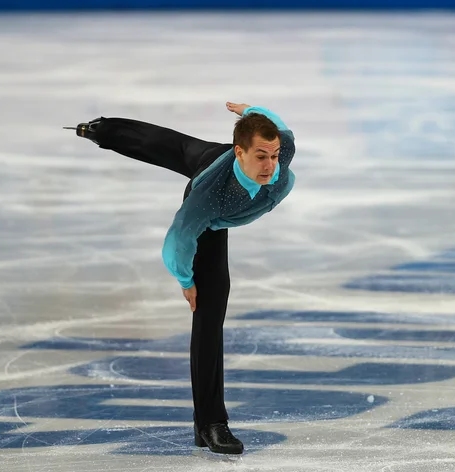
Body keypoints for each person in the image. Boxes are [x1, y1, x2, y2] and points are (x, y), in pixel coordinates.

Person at [66, 102, 295, 455]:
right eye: (261, 156)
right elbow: (178, 240)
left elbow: (281, 128)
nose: (270, 165)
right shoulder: (207, 194)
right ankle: (210, 423)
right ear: (241, 152)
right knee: (209, 313)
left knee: (179, 147)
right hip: (214, 208)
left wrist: (251, 111)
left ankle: (104, 130)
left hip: (221, 171)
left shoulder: (281, 152)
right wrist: (186, 281)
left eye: (274, 155)